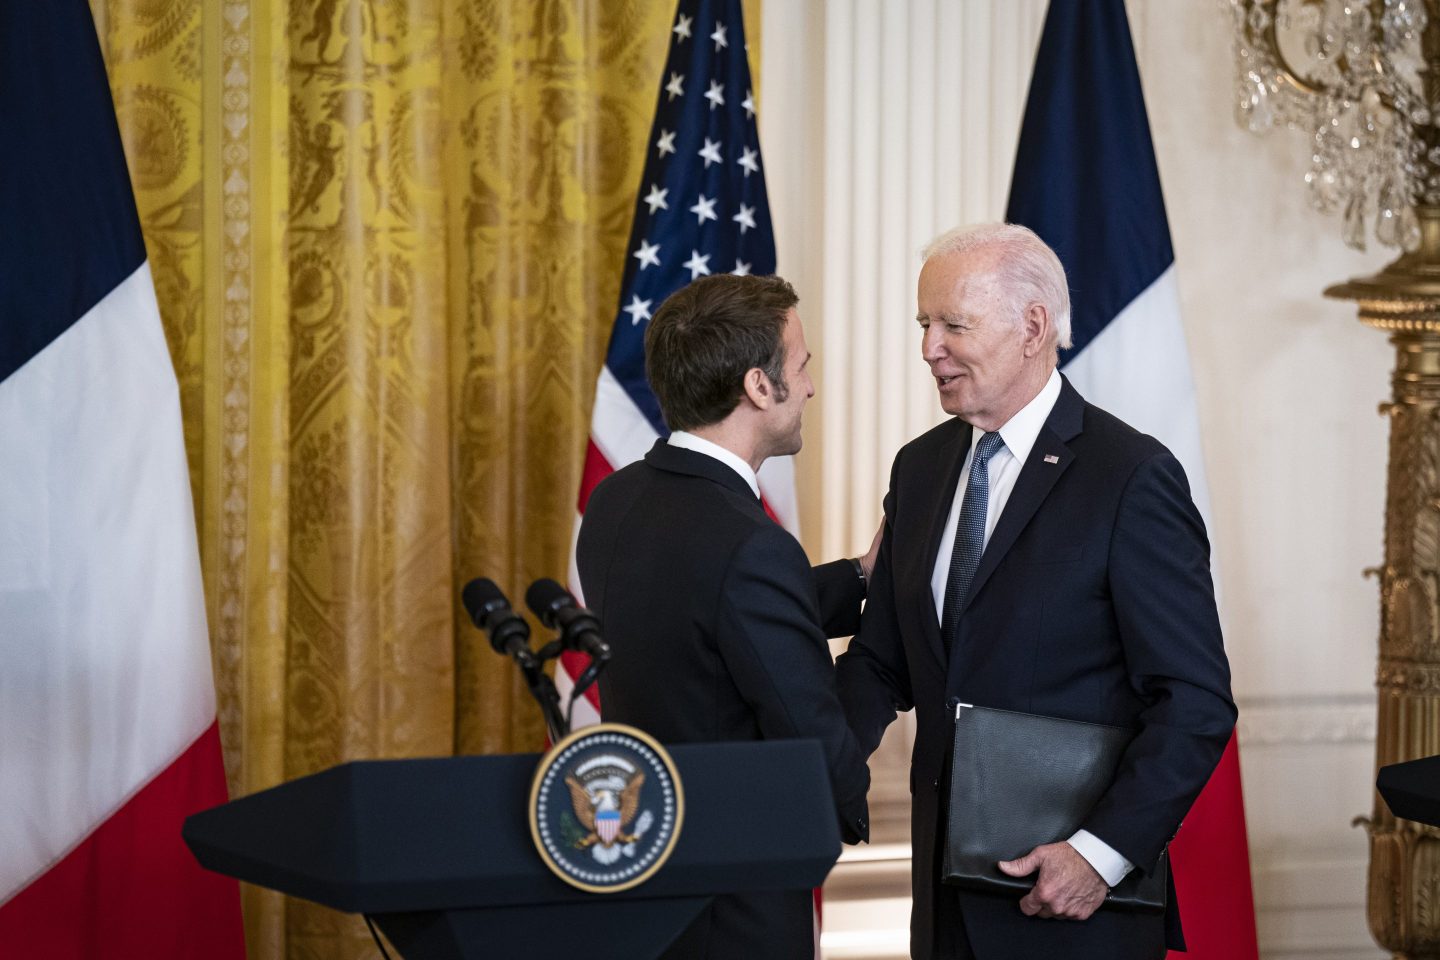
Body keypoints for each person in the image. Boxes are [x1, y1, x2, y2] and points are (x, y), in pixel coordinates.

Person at [835, 223, 1236, 960]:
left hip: (1076, 909)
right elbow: (883, 658)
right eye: (926, 325)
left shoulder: (1130, 477)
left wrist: (1100, 855)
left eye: (953, 324)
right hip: (944, 903)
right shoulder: (918, 469)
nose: (929, 348)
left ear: (1032, 327)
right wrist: (814, 766)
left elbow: (1194, 700)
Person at [576, 273, 872, 960]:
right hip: (736, 907)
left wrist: (860, 578)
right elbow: (820, 753)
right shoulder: (749, 544)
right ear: (757, 387)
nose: (808, 387)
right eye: (800, 367)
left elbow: (701, 611)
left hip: (647, 874)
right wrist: (883, 661)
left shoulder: (619, 500)